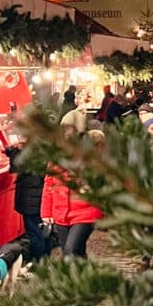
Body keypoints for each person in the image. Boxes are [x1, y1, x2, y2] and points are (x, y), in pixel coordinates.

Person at [41, 109, 103, 258]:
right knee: (74, 252)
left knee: (70, 251)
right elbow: (49, 185)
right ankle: (84, 272)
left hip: (85, 211)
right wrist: (46, 212)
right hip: (61, 212)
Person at [4, 141, 50, 262]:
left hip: (31, 199)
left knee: (34, 233)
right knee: (42, 231)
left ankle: (38, 262)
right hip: (39, 197)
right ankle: (46, 259)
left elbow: (17, 166)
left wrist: (14, 151)